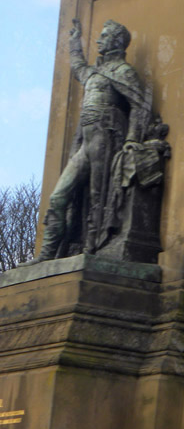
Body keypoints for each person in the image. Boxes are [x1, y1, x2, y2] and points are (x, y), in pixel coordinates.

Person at [27, 18, 148, 263]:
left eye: (103, 36)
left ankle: (92, 250)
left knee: (98, 196)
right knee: (59, 197)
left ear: (116, 41)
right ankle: (48, 254)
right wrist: (74, 43)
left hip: (106, 137)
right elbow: (77, 66)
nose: (98, 40)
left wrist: (132, 138)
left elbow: (139, 105)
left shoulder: (123, 72)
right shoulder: (94, 72)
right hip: (86, 141)